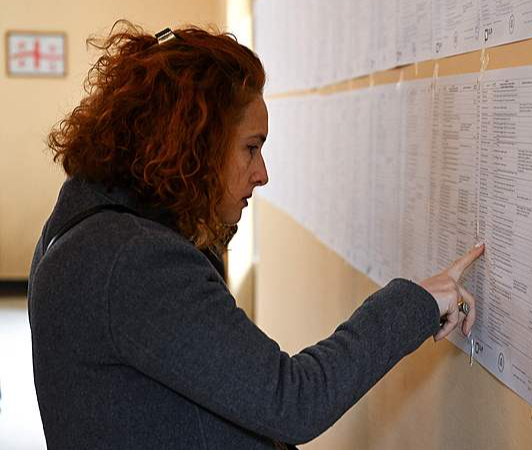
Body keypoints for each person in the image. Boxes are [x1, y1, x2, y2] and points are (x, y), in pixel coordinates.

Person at [27, 22, 484, 450]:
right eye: (251, 147)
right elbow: (294, 402)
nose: (262, 174)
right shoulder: (133, 259)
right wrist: (416, 301)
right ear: (192, 144)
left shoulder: (81, 226)